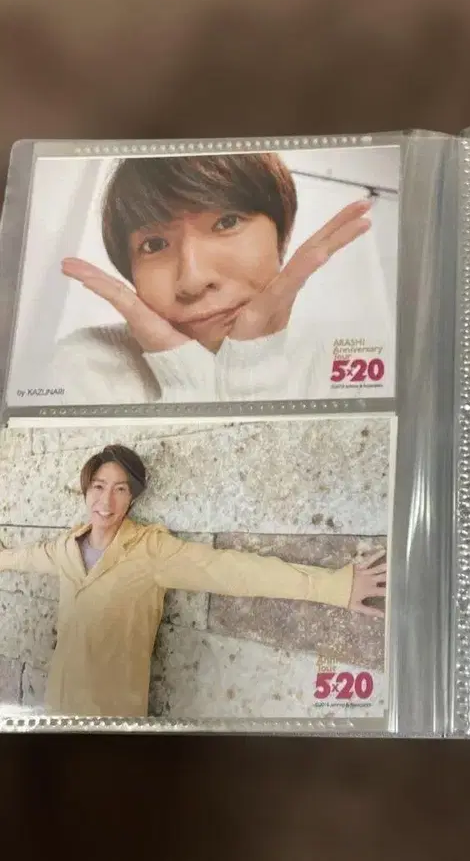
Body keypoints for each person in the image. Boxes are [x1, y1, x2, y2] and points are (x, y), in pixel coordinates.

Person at [0, 444, 387, 717]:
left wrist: (333, 586)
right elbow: (30, 557)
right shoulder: (68, 547)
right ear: (86, 490)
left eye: (121, 489)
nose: (106, 500)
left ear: (132, 499)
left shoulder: (150, 550)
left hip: (111, 720)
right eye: (99, 486)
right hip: (56, 709)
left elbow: (232, 570)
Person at [53, 153, 374, 404]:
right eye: (154, 245)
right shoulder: (86, 366)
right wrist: (188, 383)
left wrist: (253, 372)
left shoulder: (348, 363)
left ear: (282, 236)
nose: (193, 281)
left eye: (227, 222)